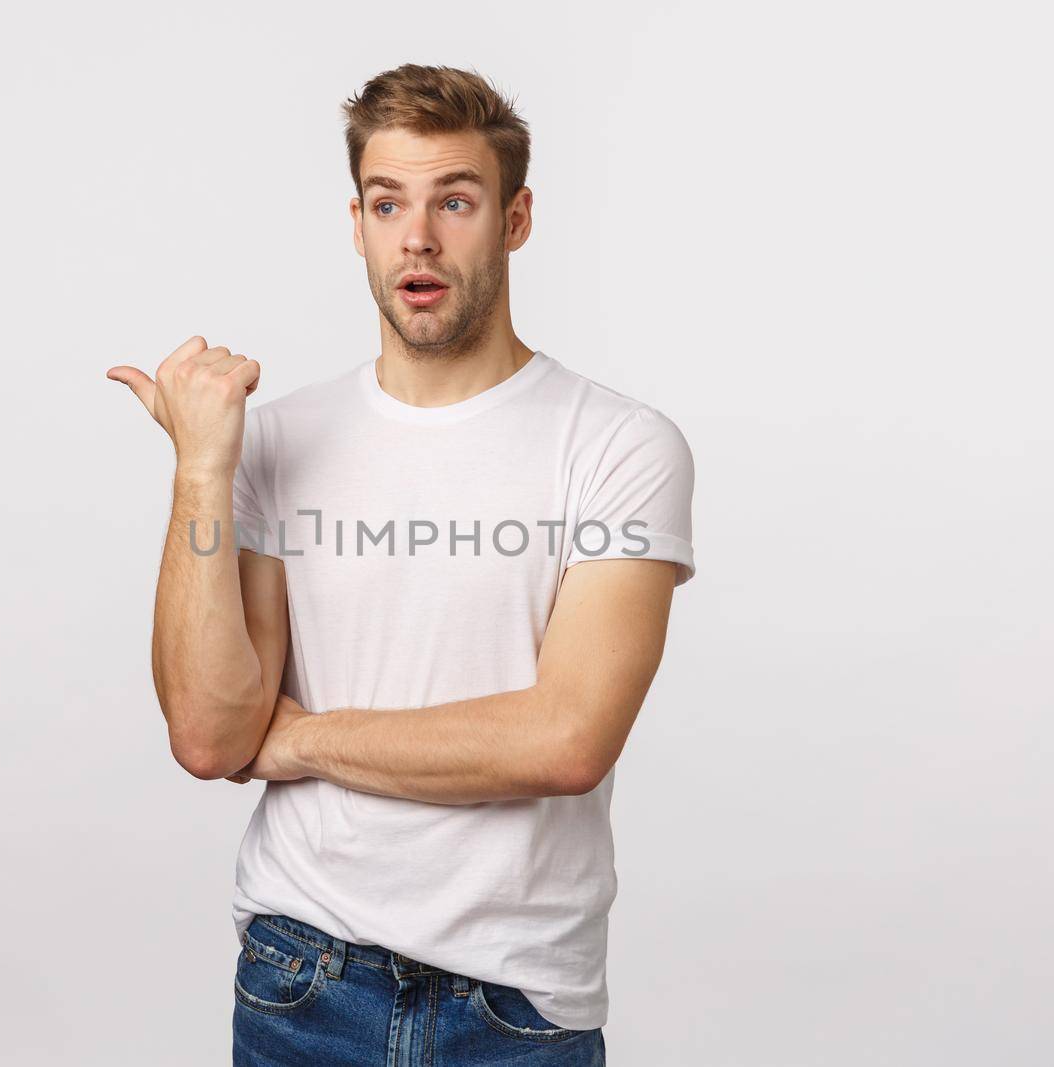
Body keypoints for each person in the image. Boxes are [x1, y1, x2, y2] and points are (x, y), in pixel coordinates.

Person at [108, 63, 696, 1066]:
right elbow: (210, 733)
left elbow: (563, 738)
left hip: (516, 1005)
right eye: (389, 203)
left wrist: (300, 741)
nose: (416, 237)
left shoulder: (616, 445)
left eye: (453, 202)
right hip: (304, 979)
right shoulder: (277, 440)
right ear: (358, 222)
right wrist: (203, 467)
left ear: (514, 218)